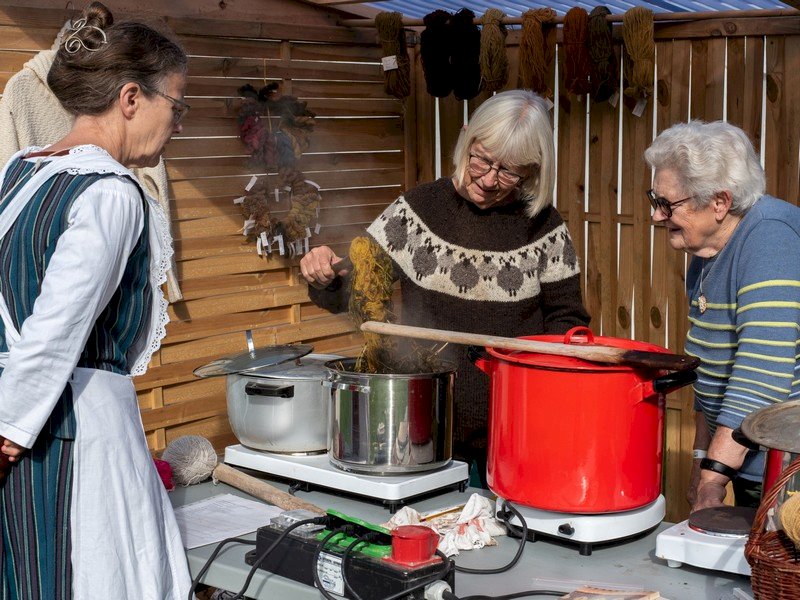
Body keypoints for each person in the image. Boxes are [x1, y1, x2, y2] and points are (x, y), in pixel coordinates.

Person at [300, 89, 590, 484]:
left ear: (533, 171)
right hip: (424, 431)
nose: (488, 180)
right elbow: (358, 289)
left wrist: (536, 392)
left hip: (513, 437)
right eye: (482, 159)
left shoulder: (544, 227)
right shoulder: (420, 209)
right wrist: (325, 275)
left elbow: (567, 320)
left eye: (508, 171)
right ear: (467, 139)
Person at [0, 3, 192, 598]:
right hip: (75, 437)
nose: (179, 123)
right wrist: (7, 429)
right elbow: (55, 327)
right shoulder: (111, 193)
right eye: (177, 106)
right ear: (131, 98)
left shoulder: (20, 171)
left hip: (27, 425)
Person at [644, 120, 800, 513]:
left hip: (791, 468)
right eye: (654, 198)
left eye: (668, 204)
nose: (656, 215)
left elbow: (760, 374)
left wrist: (714, 477)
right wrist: (701, 461)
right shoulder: (707, 249)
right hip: (752, 460)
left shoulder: (771, 239)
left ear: (720, 202)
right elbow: (714, 368)